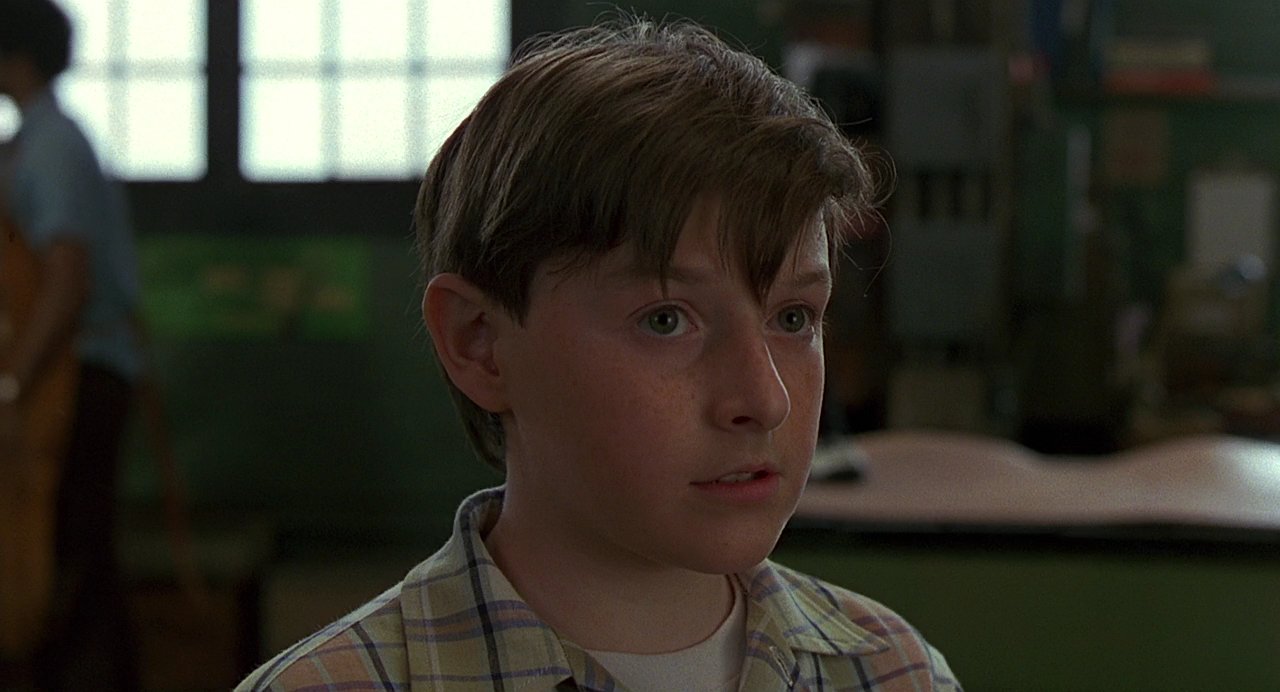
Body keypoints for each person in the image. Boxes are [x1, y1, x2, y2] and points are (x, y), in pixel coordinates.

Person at [239, 16, 959, 691]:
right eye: (667, 320)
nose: (765, 398)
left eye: (793, 317)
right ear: (479, 342)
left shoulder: (891, 672)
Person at [0, 0, 142, 689]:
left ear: (15, 58)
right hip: (68, 368)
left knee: (73, 552)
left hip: (81, 371)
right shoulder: (33, 140)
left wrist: (13, 384)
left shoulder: (52, 143)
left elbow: (66, 276)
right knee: (67, 545)